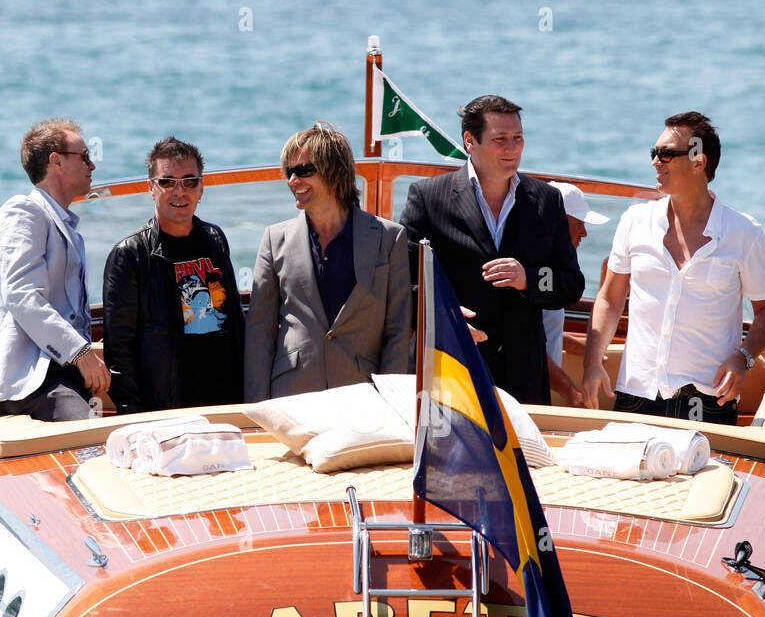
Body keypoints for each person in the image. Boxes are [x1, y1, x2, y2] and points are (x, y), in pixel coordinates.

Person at [581, 112, 765, 424]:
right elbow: (609, 298)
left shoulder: (744, 232)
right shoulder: (636, 221)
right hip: (636, 394)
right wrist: (592, 363)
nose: (655, 162)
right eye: (654, 153)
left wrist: (743, 357)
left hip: (711, 400)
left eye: (665, 154)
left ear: (698, 162)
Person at [400, 95, 584, 405]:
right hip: (450, 366)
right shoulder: (428, 198)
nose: (512, 149)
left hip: (523, 376)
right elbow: (401, 282)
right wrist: (444, 317)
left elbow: (570, 284)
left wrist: (529, 278)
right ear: (470, 141)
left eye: (518, 138)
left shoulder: (548, 201)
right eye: (500, 139)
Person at [244, 123, 411, 400]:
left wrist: (392, 401)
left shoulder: (389, 238)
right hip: (292, 396)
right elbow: (260, 335)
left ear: (335, 171)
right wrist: (256, 410)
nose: (292, 180)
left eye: (303, 170)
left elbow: (398, 331)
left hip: (364, 396)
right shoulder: (274, 239)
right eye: (289, 172)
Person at [102, 137, 245, 413]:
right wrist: (133, 418)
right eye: (167, 182)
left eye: (189, 181)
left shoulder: (215, 239)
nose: (180, 192)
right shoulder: (130, 255)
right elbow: (119, 353)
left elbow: (233, 320)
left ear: (201, 188)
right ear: (151, 189)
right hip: (166, 408)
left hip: (226, 400)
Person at [0, 118, 110, 421]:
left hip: (63, 371)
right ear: (56, 162)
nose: (93, 166)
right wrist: (80, 352)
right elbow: (22, 296)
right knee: (87, 432)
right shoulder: (23, 212)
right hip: (30, 379)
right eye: (85, 157)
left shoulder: (66, 226)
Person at [542, 182, 609, 407]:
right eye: (578, 223)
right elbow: (523, 345)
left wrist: (572, 345)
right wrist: (570, 392)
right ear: (556, 224)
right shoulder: (535, 274)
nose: (585, 232)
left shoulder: (546, 270)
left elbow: (535, 329)